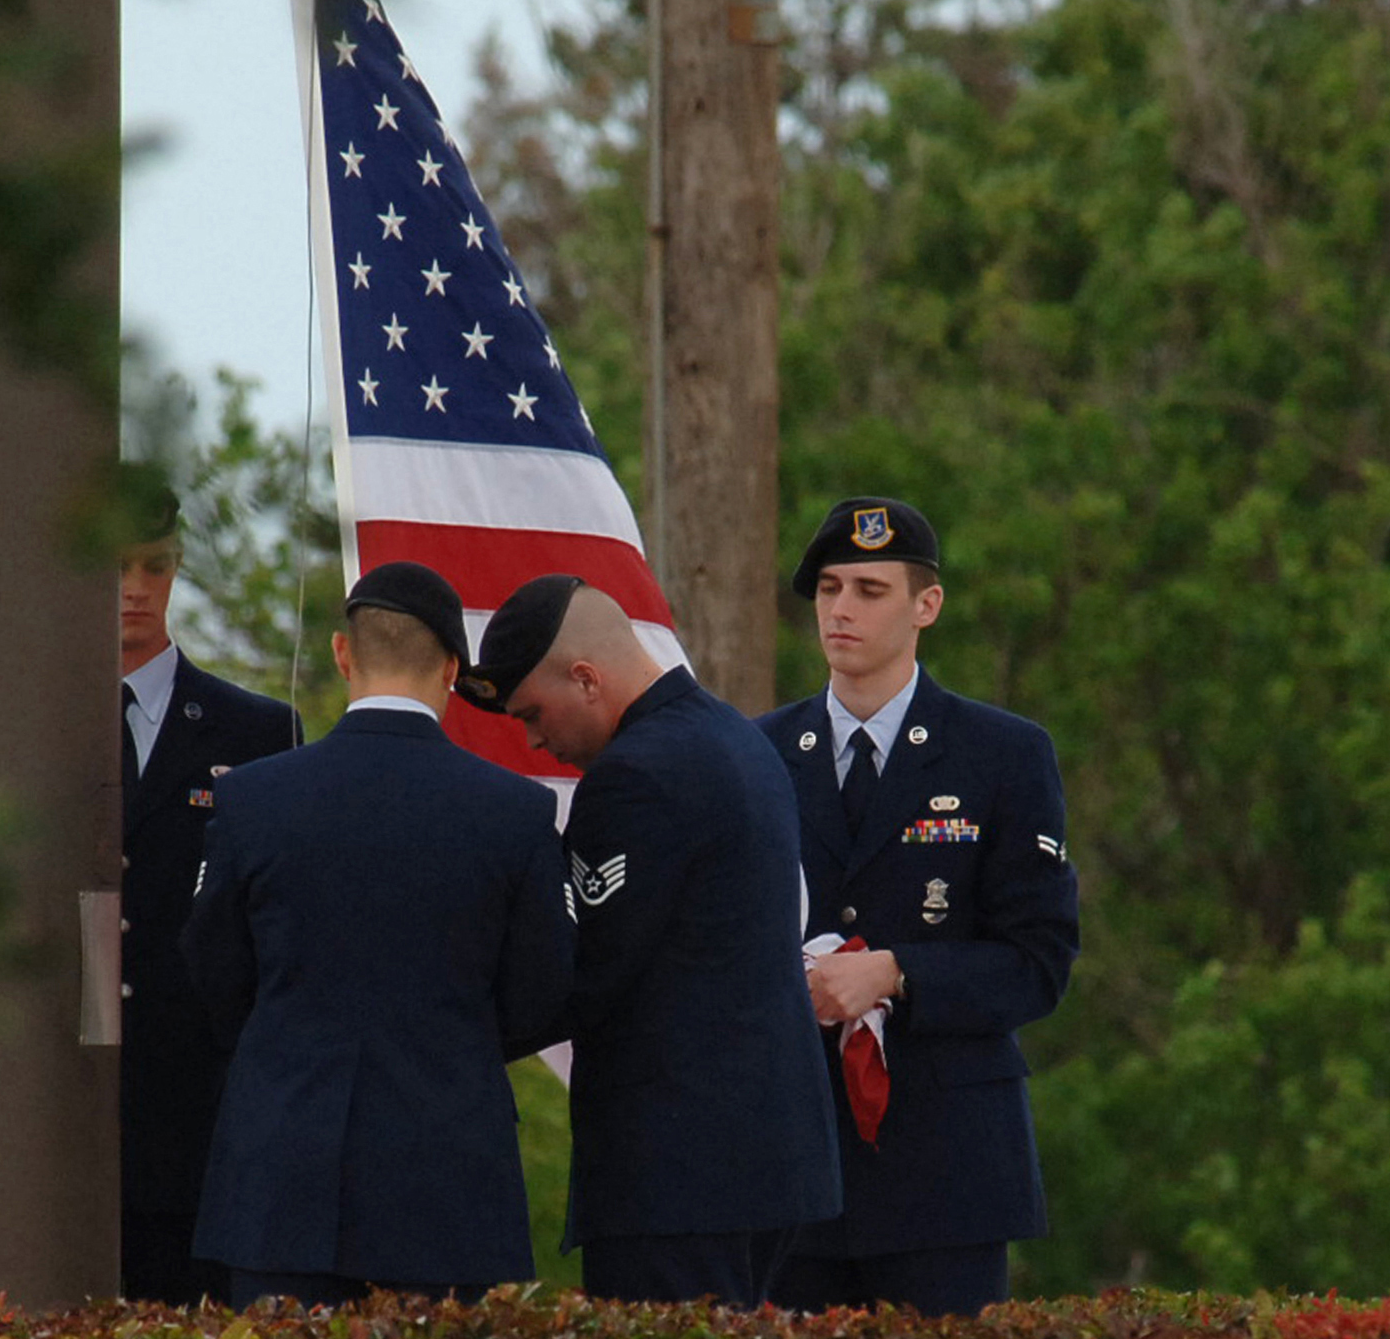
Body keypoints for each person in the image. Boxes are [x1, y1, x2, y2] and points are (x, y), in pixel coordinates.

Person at [181, 561, 575, 1308]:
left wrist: (286, 1042)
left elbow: (211, 968)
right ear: (454, 669)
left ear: (340, 653)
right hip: (447, 1181)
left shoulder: (252, 800)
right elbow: (546, 990)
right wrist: (454, 1043)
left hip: (280, 1176)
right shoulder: (513, 812)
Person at [457, 575, 841, 1307]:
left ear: (586, 677)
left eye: (534, 713)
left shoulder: (636, 776)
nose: (535, 738)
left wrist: (443, 1033)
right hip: (767, 1163)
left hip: (679, 1179)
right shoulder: (736, 737)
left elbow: (583, 970)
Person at [755, 496, 1080, 1318]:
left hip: (948, 1172)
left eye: (869, 589)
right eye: (829, 588)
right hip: (797, 1160)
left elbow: (1037, 964)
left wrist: (899, 972)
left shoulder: (1002, 755)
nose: (840, 610)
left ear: (925, 605)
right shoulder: (755, 756)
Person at [117, 474, 302, 1305]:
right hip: (50, 1100)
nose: (133, 590)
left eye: (155, 566)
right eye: (113, 565)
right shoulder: (23, 729)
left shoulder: (256, 732)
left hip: (196, 1109)